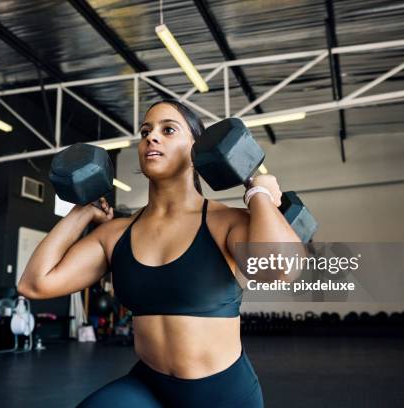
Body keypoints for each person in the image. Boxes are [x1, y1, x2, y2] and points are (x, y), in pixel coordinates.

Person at [18, 99, 301, 407]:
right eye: (145, 132)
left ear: (197, 149)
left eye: (168, 130)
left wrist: (258, 192)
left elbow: (281, 269)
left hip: (222, 394)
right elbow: (34, 283)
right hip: (149, 387)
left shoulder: (225, 222)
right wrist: (81, 212)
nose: (151, 137)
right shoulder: (116, 234)